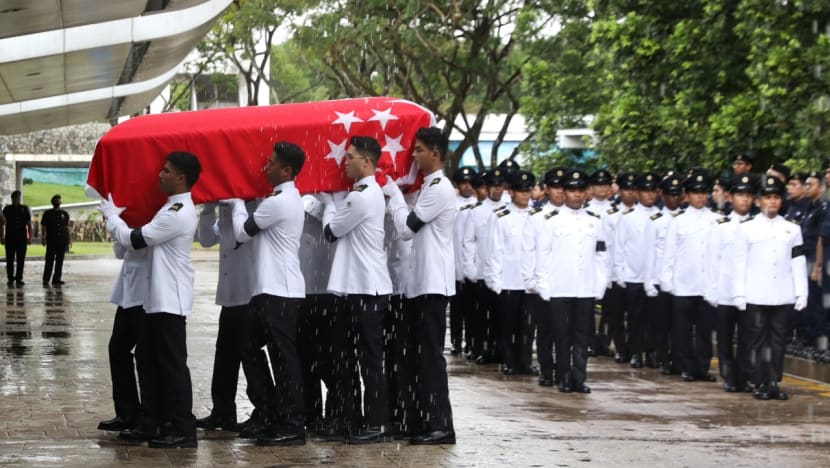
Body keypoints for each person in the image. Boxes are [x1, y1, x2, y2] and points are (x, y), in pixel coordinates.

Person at [100, 151, 202, 448]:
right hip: (158, 297)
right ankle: (157, 421)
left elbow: (136, 239)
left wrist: (111, 217)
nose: (160, 174)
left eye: (166, 171)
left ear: (181, 178)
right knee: (153, 361)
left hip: (169, 297)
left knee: (172, 365)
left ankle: (183, 428)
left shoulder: (178, 211)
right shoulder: (169, 208)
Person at [227, 142, 306, 446]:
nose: (266, 167)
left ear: (287, 170)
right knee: (248, 347)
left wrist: (235, 201)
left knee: (284, 359)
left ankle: (292, 424)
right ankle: (270, 410)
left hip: (280, 291)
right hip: (269, 289)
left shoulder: (280, 202)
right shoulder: (279, 198)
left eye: (272, 163)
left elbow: (241, 232)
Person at [317, 136, 393, 444]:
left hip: (366, 288)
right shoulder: (364, 193)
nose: (344, 162)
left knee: (370, 360)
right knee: (349, 358)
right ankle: (355, 418)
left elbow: (331, 232)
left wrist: (326, 204)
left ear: (367, 161)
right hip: (357, 287)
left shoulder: (360, 196)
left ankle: (376, 423)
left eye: (349, 157)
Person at [383, 126, 456, 445]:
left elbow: (407, 229)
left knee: (430, 358)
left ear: (435, 154)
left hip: (431, 286)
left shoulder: (440, 188)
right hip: (419, 284)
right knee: (413, 357)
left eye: (418, 150)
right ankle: (419, 420)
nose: (412, 155)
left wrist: (394, 195)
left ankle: (441, 425)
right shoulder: (429, 186)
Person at [194, 201, 274, 433]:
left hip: (250, 293)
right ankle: (222, 411)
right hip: (229, 294)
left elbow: (243, 233)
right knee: (225, 356)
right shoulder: (228, 210)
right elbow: (207, 239)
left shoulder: (258, 207)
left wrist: (238, 203)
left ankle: (265, 410)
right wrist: (208, 209)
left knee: (250, 356)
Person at [733, 176, 808, 400]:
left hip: (782, 293)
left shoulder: (791, 229)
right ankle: (758, 381)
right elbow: (739, 262)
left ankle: (773, 380)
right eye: (768, 197)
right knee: (756, 340)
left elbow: (798, 261)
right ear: (758, 201)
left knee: (777, 340)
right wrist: (739, 292)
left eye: (776, 198)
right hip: (756, 293)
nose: (772, 202)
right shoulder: (747, 229)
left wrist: (801, 291)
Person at [533, 169, 607, 393]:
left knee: (582, 335)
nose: (576, 194)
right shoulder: (551, 220)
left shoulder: (594, 221)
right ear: (563, 192)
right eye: (572, 190)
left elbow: (601, 254)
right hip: (559, 286)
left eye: (580, 190)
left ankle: (579, 377)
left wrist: (600, 283)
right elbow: (542, 253)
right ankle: (564, 376)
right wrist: (543, 283)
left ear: (586, 193)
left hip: (585, 287)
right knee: (562, 335)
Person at [660, 172, 719, 382]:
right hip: (683, 283)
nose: (700, 197)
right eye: (695, 193)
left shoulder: (716, 220)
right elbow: (669, 253)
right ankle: (685, 366)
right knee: (682, 329)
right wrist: (667, 280)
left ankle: (702, 367)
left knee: (704, 329)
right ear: (687, 195)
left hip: (706, 285)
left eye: (703, 193)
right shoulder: (679, 221)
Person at [706, 174, 756, 392]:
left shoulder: (757, 226)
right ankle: (728, 376)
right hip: (725, 290)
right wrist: (711, 289)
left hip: (749, 291)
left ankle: (744, 376)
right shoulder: (720, 225)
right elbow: (711, 259)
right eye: (739, 195)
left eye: (747, 195)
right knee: (725, 338)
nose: (743, 200)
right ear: (730, 198)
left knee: (747, 337)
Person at [484, 170, 536, 376]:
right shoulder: (501, 217)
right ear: (511, 192)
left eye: (528, 190)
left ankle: (525, 361)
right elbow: (494, 250)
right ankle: (510, 361)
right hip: (508, 279)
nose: (525, 194)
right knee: (508, 324)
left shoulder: (538, 216)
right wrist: (494, 280)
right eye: (520, 191)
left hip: (530, 282)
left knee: (528, 326)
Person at [97, 243, 149, 433]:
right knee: (117, 349)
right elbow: (120, 251)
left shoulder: (155, 216)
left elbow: (138, 243)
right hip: (128, 294)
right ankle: (127, 413)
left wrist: (117, 222)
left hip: (146, 295)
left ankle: (150, 418)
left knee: (146, 358)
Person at [614, 173, 661, 368]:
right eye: (645, 191)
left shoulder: (662, 216)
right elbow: (620, 246)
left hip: (656, 276)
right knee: (635, 318)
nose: (649, 195)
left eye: (652, 191)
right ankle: (634, 352)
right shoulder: (628, 217)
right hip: (634, 275)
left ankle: (651, 353)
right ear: (638, 193)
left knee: (654, 319)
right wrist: (620, 272)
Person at [450, 166, 478, 355]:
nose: (467, 186)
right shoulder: (452, 204)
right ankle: (456, 341)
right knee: (456, 309)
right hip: (454, 261)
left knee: (472, 310)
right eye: (463, 183)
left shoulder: (478, 205)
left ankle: (470, 342)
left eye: (470, 183)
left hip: (473, 263)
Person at [2, 190, 32, 287]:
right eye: (15, 198)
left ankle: (19, 278)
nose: (17, 200)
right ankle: (10, 278)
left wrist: (29, 237)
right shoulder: (7, 209)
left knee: (21, 259)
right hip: (10, 237)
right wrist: (1, 237)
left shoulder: (24, 208)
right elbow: (1, 224)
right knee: (9, 259)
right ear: (12, 199)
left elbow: (29, 224)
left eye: (18, 198)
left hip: (22, 237)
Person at [40, 194, 71, 286]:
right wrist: (43, 237)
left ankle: (57, 279)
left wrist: (69, 239)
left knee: (60, 261)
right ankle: (46, 279)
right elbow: (43, 226)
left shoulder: (64, 213)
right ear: (53, 202)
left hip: (62, 240)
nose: (57, 201)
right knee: (49, 260)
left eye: (59, 200)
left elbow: (67, 227)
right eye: (56, 200)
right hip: (51, 240)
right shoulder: (47, 213)